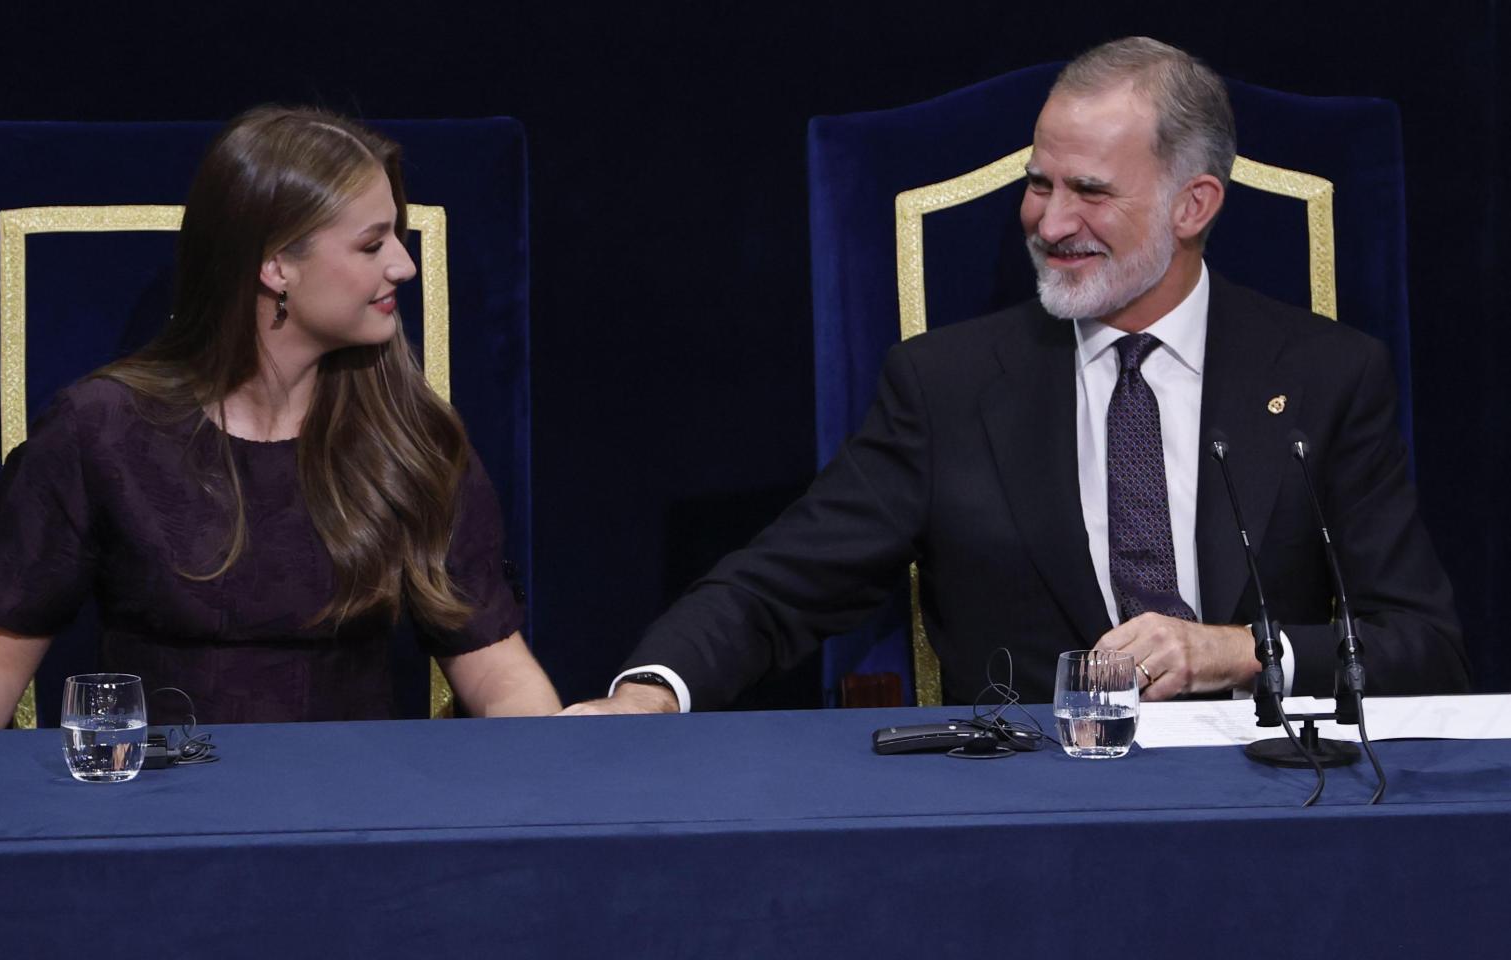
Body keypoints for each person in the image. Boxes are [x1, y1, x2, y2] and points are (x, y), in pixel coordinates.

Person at [562, 37, 1468, 716]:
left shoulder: (1326, 375)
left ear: (1194, 205)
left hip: (1280, 811)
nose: (1048, 219)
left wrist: (1242, 652)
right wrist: (651, 690)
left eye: (1091, 191)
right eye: (1040, 184)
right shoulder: (947, 386)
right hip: (1035, 819)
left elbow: (1421, 648)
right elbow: (780, 583)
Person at [0, 106, 560, 728]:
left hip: (352, 814)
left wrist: (558, 796)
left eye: (396, 235)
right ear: (276, 266)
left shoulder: (413, 439)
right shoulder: (101, 430)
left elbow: (496, 666)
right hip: (156, 816)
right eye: (371, 245)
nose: (404, 263)